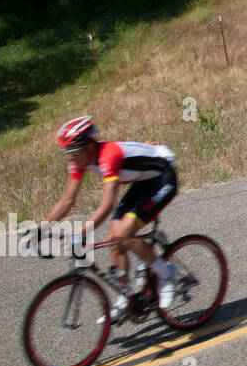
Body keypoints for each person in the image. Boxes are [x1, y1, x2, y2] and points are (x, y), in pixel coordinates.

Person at [48, 116, 181, 320]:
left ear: (89, 147)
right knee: (113, 239)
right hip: (142, 181)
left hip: (163, 178)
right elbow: (68, 200)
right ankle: (124, 297)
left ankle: (167, 274)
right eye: (67, 152)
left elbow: (107, 203)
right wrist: (40, 229)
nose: (69, 157)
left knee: (123, 235)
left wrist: (81, 234)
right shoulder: (79, 161)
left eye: (72, 151)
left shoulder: (108, 155)